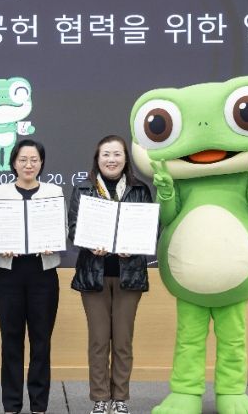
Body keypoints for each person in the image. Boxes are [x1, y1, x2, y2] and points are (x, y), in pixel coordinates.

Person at [69, 135, 153, 414]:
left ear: (126, 158)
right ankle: (100, 398)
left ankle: (120, 398)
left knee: (123, 341)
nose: (111, 159)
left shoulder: (140, 189)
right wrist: (90, 243)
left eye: (117, 154)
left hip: (129, 276)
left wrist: (135, 247)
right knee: (98, 340)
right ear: (97, 158)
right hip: (94, 275)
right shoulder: (83, 189)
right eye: (106, 154)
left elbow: (150, 229)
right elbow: (73, 229)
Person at [0, 139, 64, 414]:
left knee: (41, 340)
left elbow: (63, 229)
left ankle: (39, 405)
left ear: (41, 163)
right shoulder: (0, 192)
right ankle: (11, 404)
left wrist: (54, 240)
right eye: (23, 160)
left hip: (43, 274)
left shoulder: (54, 191)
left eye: (34, 160)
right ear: (14, 163)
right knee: (11, 339)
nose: (28, 165)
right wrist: (0, 243)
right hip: (9, 275)